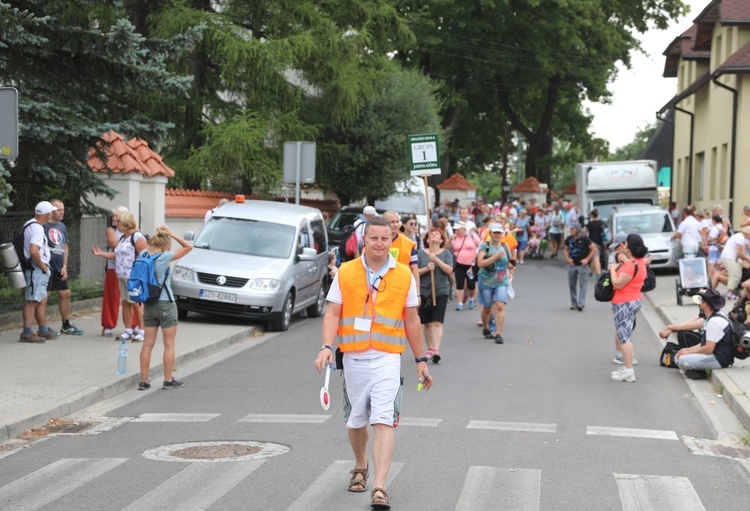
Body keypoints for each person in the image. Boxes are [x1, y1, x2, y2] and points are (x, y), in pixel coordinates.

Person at [314, 216, 432, 510]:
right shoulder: (345, 271)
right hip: (353, 355)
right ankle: (360, 462)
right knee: (356, 419)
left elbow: (411, 320)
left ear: (392, 241)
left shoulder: (404, 275)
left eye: (385, 238)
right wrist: (327, 347)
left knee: (383, 418)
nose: (379, 243)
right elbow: (332, 313)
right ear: (364, 240)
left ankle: (379, 486)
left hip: (388, 356)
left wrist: (420, 358)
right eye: (373, 238)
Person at [137, 226, 193, 390]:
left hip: (148, 303)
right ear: (166, 245)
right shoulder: (165, 257)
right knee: (169, 344)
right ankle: (168, 380)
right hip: (165, 304)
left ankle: (144, 381)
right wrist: (172, 234)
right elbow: (189, 247)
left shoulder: (143, 255)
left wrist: (157, 236)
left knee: (147, 344)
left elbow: (149, 247)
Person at [91, 212, 148, 342]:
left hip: (133, 277)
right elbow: (118, 256)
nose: (116, 224)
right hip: (121, 275)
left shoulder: (137, 237)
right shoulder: (123, 237)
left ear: (126, 223)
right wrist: (101, 253)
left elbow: (145, 257)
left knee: (137, 304)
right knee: (126, 303)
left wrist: (140, 275)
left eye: (119, 222)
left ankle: (142, 331)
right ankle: (128, 330)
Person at [659, 288, 734, 379]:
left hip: (719, 359)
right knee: (678, 355)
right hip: (714, 354)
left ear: (706, 304)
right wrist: (686, 351)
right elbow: (703, 344)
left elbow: (708, 348)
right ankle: (697, 368)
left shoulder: (714, 322)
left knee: (682, 360)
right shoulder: (715, 315)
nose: (700, 303)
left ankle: (701, 372)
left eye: (702, 300)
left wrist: (688, 352)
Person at [609, 234, 648, 383]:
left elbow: (618, 284)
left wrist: (613, 270)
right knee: (627, 335)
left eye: (626, 244)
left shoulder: (631, 265)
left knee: (624, 337)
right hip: (634, 300)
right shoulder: (640, 263)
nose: (624, 246)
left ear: (630, 248)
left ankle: (629, 371)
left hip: (624, 301)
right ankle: (627, 368)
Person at [19, 201, 59, 343]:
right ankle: (27, 332)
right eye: (51, 212)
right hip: (36, 268)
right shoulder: (38, 229)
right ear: (47, 214)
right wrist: (43, 266)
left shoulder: (29, 224)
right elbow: (33, 250)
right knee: (32, 300)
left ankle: (43, 329)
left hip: (33, 267)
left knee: (40, 299)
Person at [44, 199, 83, 335]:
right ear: (51, 210)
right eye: (58, 210)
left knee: (65, 293)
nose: (62, 212)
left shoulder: (61, 226)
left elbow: (65, 247)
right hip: (46, 267)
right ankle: (42, 326)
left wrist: (64, 266)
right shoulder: (43, 226)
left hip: (58, 267)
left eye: (63, 209)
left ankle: (66, 324)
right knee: (45, 295)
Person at [418, 228, 453, 363]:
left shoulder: (446, 254)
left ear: (441, 239)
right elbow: (414, 272)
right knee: (426, 323)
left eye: (436, 234)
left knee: (437, 322)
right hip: (424, 291)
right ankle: (430, 348)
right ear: (427, 239)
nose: (433, 235)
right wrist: (427, 268)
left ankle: (436, 349)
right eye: (431, 234)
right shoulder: (421, 254)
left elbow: (449, 270)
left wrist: (436, 260)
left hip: (440, 291)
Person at [477, 223, 515, 344]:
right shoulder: (485, 246)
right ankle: (486, 328)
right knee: (487, 308)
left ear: (502, 234)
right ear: (490, 233)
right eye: (495, 232)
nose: (497, 235)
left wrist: (511, 270)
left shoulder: (505, 246)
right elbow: (480, 263)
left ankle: (498, 333)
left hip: (501, 281)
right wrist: (495, 257)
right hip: (486, 280)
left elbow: (510, 262)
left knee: (500, 305)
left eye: (499, 232)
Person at [381, 210, 420, 295]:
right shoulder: (376, 242)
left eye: (397, 222)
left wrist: (417, 293)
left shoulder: (408, 243)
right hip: (380, 287)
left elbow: (414, 269)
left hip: (402, 288)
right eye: (392, 222)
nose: (395, 224)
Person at [564, 222, 597, 311]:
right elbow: (566, 249)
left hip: (582, 265)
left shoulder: (584, 238)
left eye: (572, 229)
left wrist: (587, 259)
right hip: (572, 265)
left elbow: (594, 249)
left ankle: (581, 303)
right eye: (570, 229)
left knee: (583, 284)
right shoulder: (569, 239)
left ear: (577, 229)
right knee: (572, 285)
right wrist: (568, 258)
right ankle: (574, 303)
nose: (570, 230)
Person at [450, 222, 480, 310]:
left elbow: (480, 246)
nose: (456, 231)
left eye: (458, 229)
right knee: (459, 284)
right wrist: (450, 239)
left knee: (471, 284)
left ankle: (471, 298)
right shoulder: (455, 238)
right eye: (455, 229)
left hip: (471, 264)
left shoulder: (472, 235)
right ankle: (459, 302)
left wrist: (476, 257)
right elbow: (449, 248)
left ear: (463, 229)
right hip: (459, 263)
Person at [717, 226, 750, 300]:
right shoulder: (740, 238)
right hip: (729, 257)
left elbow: (748, 247)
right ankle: (729, 292)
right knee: (735, 275)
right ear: (747, 233)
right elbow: (740, 253)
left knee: (738, 274)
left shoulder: (744, 238)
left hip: (732, 258)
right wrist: (748, 259)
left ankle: (735, 291)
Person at [584, 209, 606, 277]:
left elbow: (584, 233)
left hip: (593, 243)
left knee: (596, 258)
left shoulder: (590, 224)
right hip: (601, 243)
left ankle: (598, 274)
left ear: (591, 215)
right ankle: (591, 273)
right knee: (595, 258)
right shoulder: (602, 223)